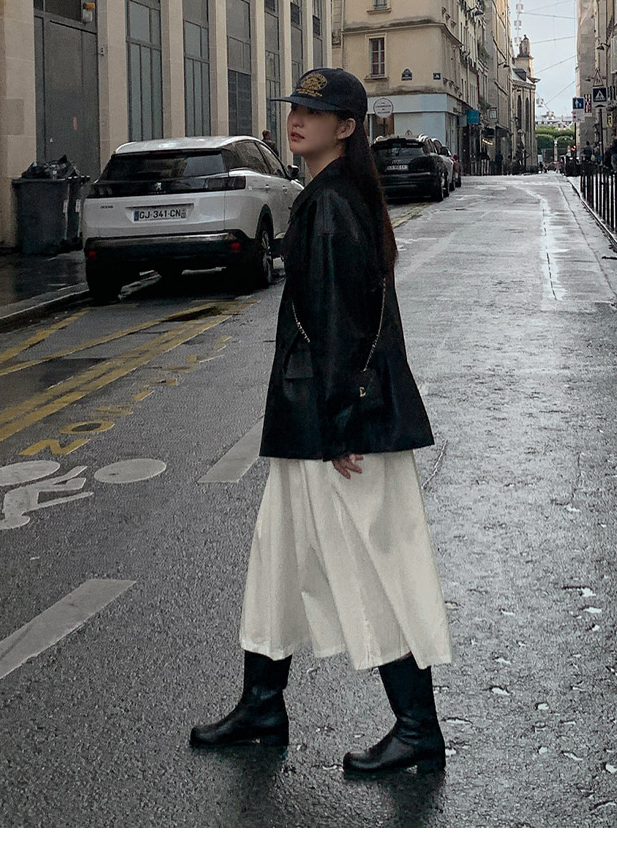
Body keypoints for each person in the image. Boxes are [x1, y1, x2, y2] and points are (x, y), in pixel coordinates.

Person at [191, 67, 452, 776]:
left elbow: (343, 322)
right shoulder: (331, 195)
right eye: (296, 107)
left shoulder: (333, 204)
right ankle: (262, 705)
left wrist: (341, 424)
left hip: (339, 426)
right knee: (278, 559)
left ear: (347, 127)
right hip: (314, 419)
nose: (298, 118)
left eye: (315, 110)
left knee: (376, 566)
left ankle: (418, 727)